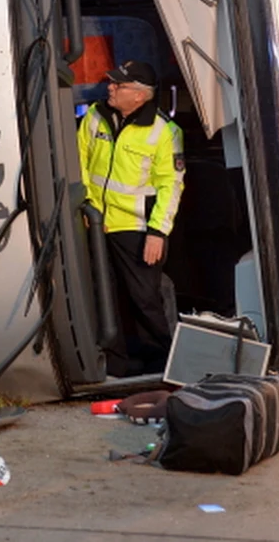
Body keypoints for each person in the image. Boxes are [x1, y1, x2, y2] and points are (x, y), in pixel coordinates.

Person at [77, 59, 185, 376]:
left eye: (118, 84)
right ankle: (117, 364)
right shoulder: (95, 116)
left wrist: (157, 233)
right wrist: (86, 205)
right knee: (103, 294)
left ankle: (160, 365)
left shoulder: (165, 131)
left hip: (137, 228)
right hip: (95, 222)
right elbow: (79, 160)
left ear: (139, 95)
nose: (109, 87)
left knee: (145, 300)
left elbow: (171, 185)